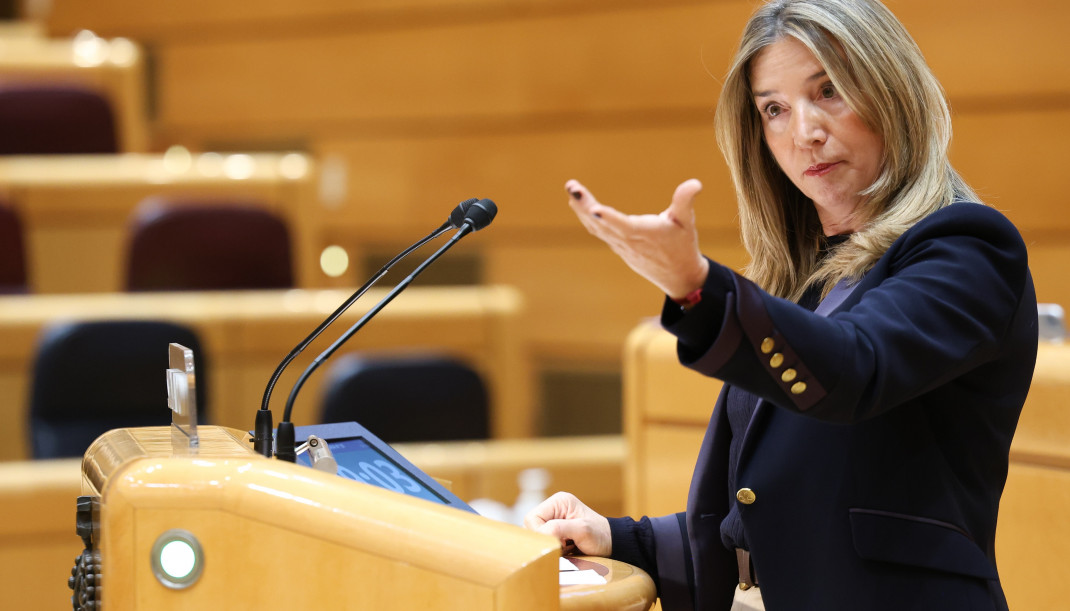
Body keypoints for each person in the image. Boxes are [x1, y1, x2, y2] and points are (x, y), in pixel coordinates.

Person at [524, 1, 1038, 610]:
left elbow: (854, 369)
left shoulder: (969, 249)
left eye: (830, 91)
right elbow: (766, 511)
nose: (804, 132)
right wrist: (616, 535)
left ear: (894, 91)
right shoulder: (808, 279)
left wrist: (697, 287)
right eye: (775, 109)